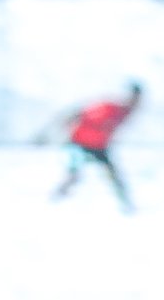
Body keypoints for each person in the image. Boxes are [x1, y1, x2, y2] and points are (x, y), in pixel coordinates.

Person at [49, 82, 143, 213]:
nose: (137, 103)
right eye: (135, 98)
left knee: (113, 176)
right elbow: (81, 113)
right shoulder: (110, 107)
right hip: (78, 144)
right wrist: (68, 123)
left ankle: (128, 207)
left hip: (99, 147)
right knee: (73, 176)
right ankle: (53, 202)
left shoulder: (125, 113)